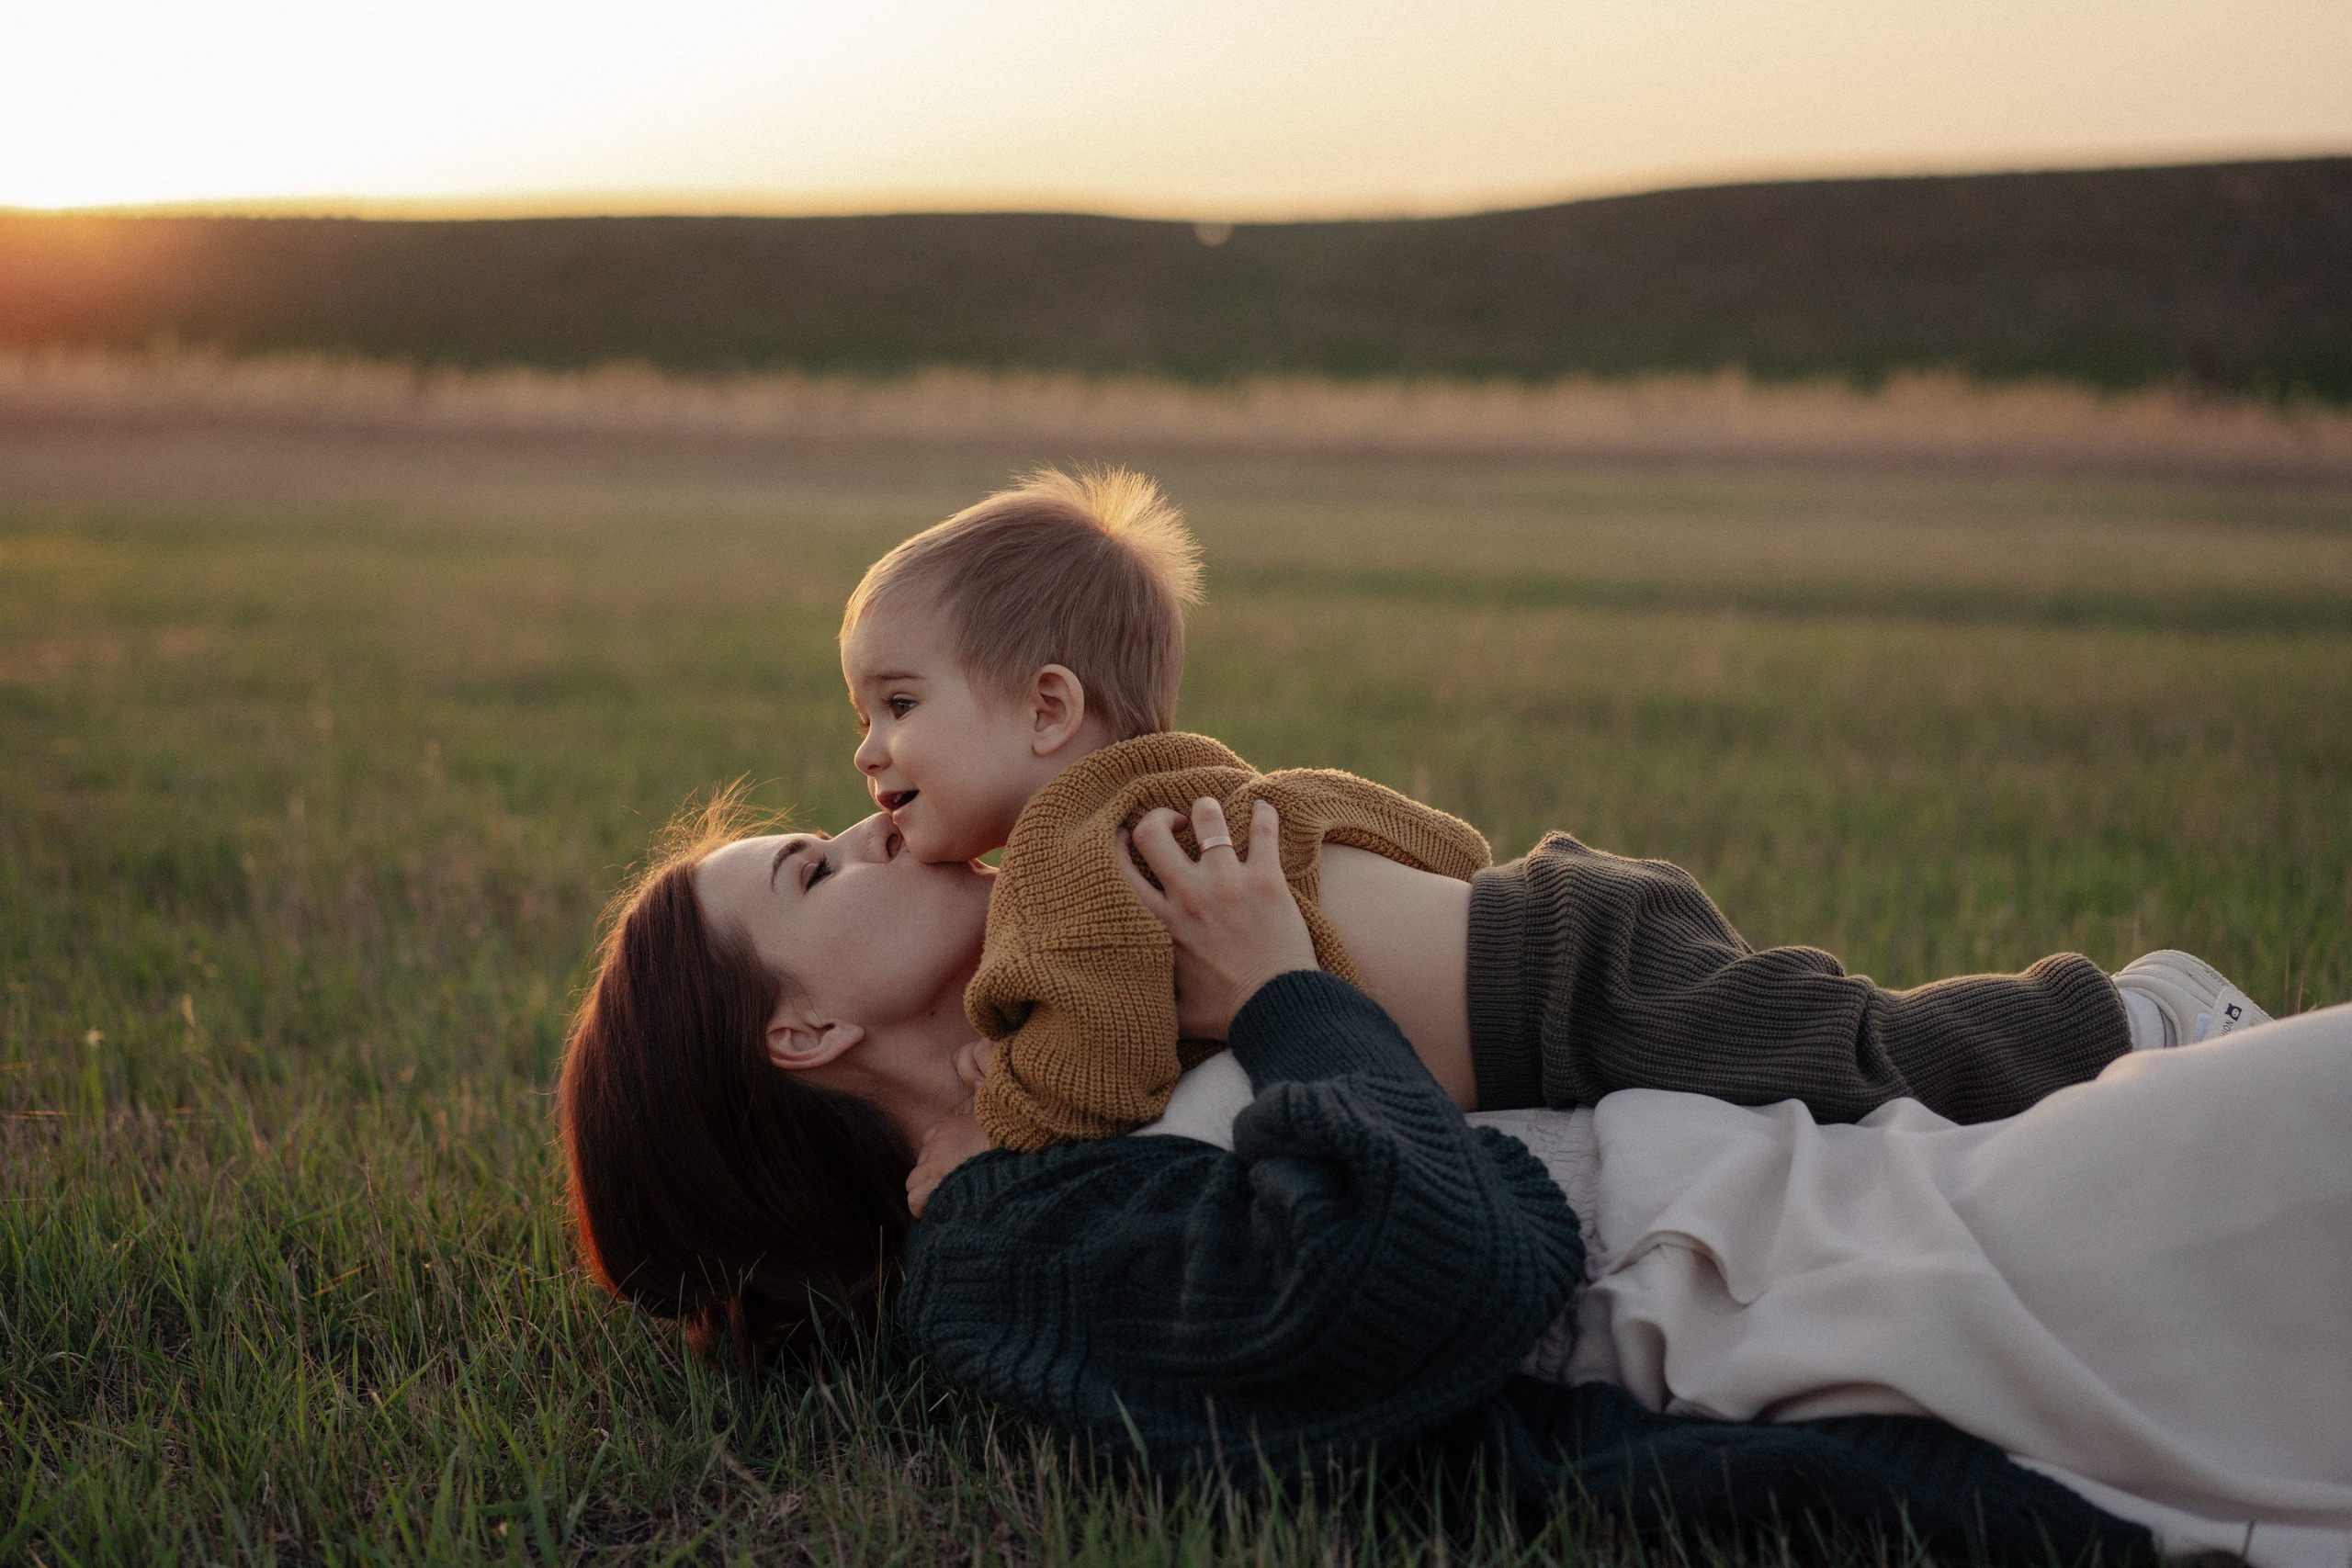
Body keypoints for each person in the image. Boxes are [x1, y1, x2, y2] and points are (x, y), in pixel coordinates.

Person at [898, 797, 2352, 1568]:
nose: (874, 827)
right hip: (1821, 1271)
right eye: (815, 873)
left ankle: (2140, 1037)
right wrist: (1281, 991)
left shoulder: (1045, 1097)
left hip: (1830, 1191)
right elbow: (1448, 1262)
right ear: (798, 1030)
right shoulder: (991, 1241)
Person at [832, 466, 2255, 1153]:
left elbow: (1096, 1070)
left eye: (898, 706)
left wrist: (986, 1117)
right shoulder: (1186, 790)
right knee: (1832, 1091)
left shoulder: (1071, 864)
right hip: (1540, 926)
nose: (867, 755)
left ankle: (2136, 1016)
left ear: (1046, 708)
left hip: (1561, 989)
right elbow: (1391, 827)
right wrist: (1443, 903)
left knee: (1865, 1059)